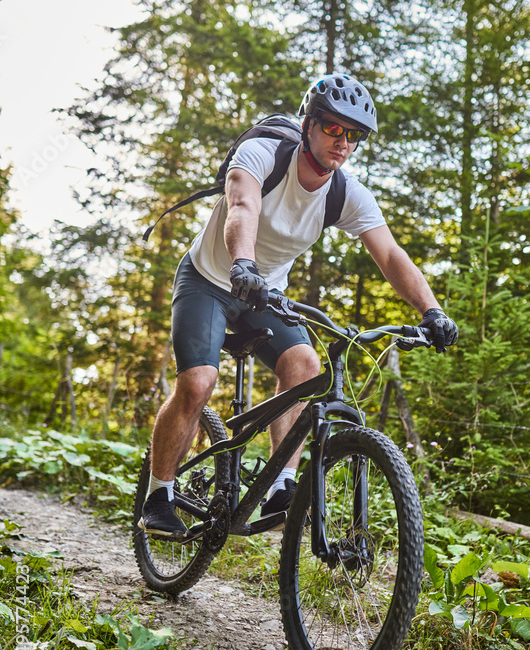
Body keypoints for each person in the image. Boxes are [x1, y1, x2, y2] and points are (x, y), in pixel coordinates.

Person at [139, 73, 458, 538]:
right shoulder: (264, 153)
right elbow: (242, 206)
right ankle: (158, 493)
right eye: (333, 129)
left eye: (354, 135)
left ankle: (280, 486)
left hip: (264, 293)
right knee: (198, 383)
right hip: (209, 279)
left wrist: (432, 311)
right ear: (309, 123)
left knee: (306, 365)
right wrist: (242, 264)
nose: (343, 142)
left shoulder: (344, 192)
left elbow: (389, 254)